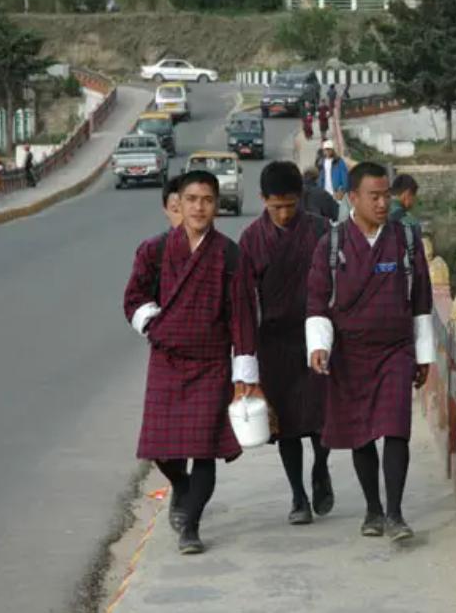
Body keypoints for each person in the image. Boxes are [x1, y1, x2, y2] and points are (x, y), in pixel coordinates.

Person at [306, 161, 434, 541]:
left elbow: (422, 302)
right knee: (361, 433)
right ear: (351, 198)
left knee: (396, 429)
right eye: (374, 196)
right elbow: (317, 301)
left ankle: (395, 513)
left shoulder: (406, 240)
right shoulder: (332, 245)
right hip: (349, 352)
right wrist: (318, 346)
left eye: (386, 195)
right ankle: (373, 509)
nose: (382, 204)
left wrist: (423, 354)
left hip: (396, 350)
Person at [122, 169, 242, 555]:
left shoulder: (228, 253)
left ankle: (190, 527)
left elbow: (240, 314)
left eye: (207, 200)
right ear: (178, 203)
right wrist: (152, 324)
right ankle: (182, 486)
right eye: (191, 199)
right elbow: (133, 298)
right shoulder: (154, 250)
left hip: (211, 362)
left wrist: (245, 369)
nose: (198, 207)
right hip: (168, 358)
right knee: (159, 447)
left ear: (216, 207)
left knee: (205, 449)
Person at [232, 161, 334, 525]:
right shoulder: (251, 240)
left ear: (301, 198)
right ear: (263, 200)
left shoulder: (321, 231)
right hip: (274, 342)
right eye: (277, 206)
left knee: (322, 418)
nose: (285, 213)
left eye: (291, 204)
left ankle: (321, 469)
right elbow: (244, 302)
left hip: (316, 338)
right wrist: (245, 360)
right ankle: (298, 495)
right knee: (287, 424)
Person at [318, 140, 349, 217]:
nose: (327, 151)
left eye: (329, 149)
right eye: (325, 150)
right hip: (325, 192)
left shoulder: (339, 161)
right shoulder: (322, 162)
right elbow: (320, 177)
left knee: (338, 213)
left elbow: (344, 176)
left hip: (336, 192)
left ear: (332, 150)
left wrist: (342, 189)